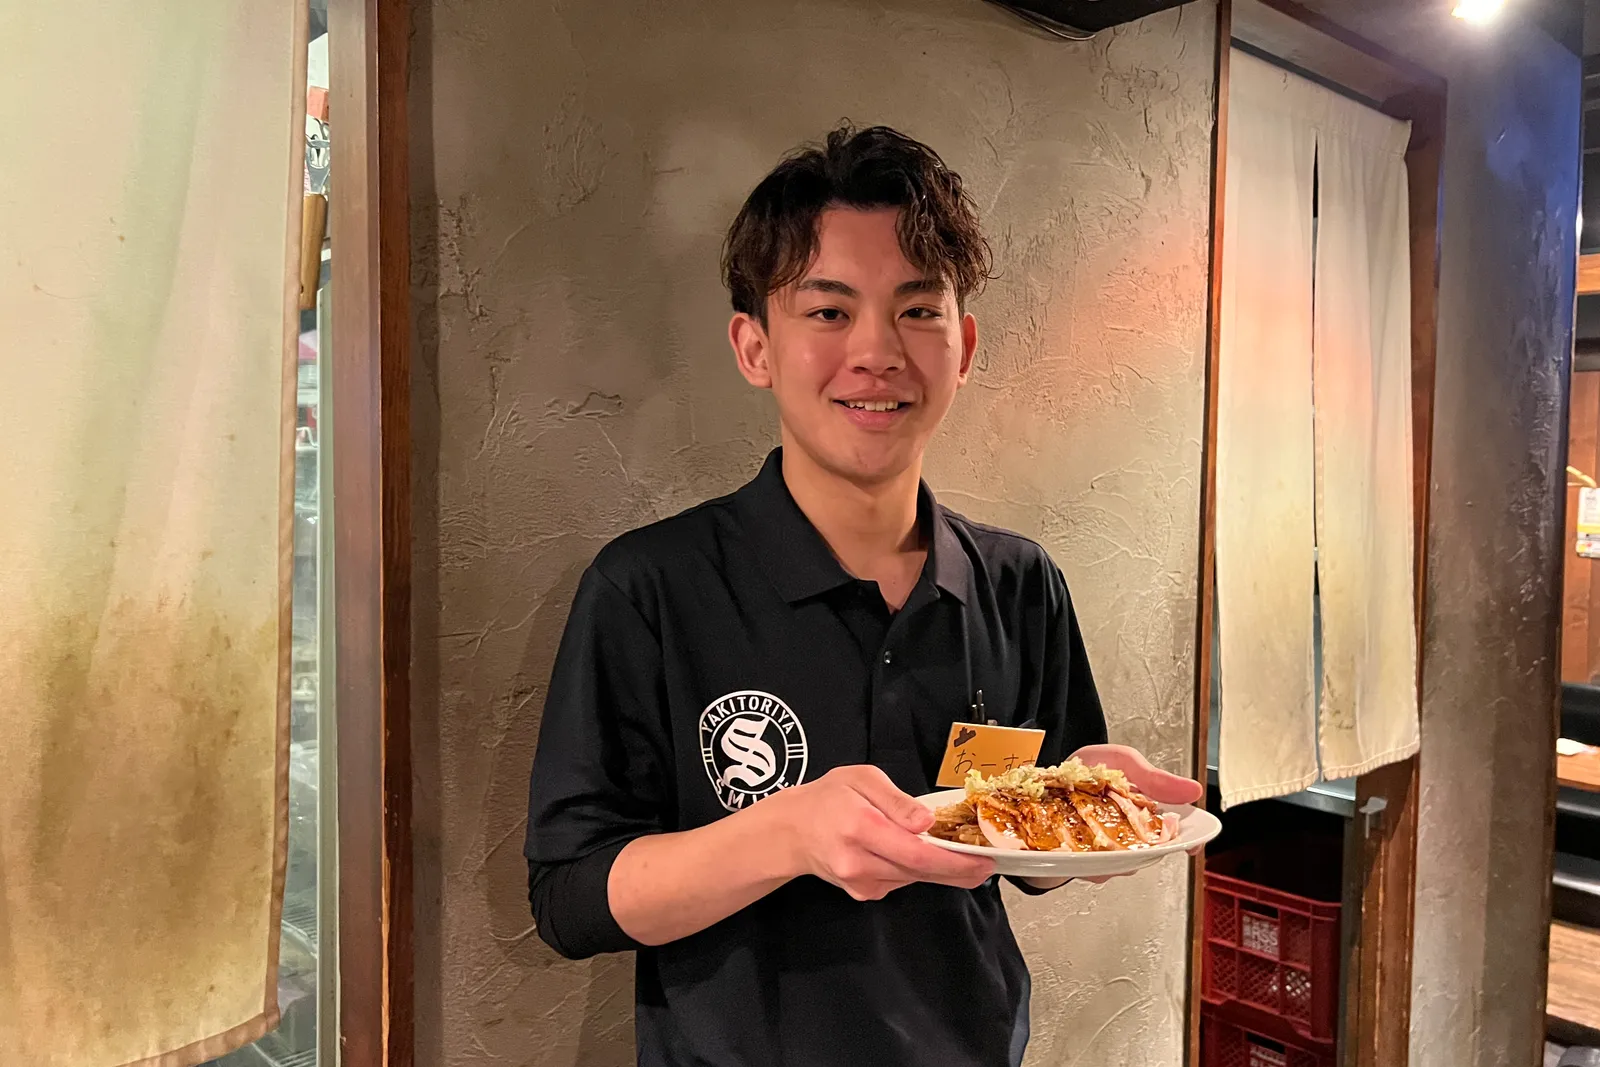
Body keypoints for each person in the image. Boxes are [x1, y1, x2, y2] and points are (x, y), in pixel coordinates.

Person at [523, 123, 1201, 1067]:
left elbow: (1027, 874)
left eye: (917, 310)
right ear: (754, 345)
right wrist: (787, 832)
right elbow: (570, 897)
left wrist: (1080, 806)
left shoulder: (1018, 583)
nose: (878, 350)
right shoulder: (651, 587)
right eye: (830, 312)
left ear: (963, 345)